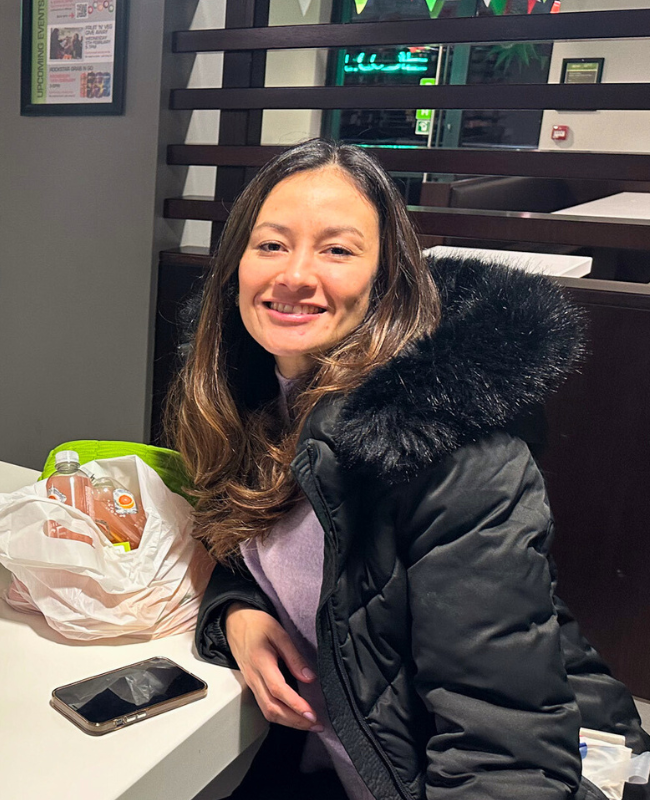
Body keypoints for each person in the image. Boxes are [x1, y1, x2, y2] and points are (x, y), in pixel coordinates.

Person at [167, 139, 648, 799]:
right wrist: (239, 616)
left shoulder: (449, 450)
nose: (295, 275)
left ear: (386, 278)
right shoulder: (251, 403)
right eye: (271, 245)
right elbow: (251, 551)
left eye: (337, 250)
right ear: (235, 267)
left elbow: (505, 752)